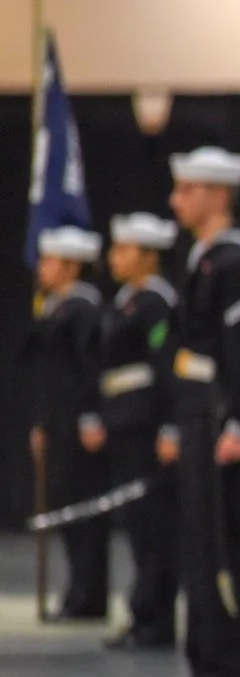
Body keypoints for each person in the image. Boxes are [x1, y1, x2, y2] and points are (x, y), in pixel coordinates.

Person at [165, 146, 240, 677]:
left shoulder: (234, 260)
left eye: (187, 189)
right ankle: (208, 657)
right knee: (202, 544)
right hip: (199, 415)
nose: (177, 200)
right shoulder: (204, 257)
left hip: (221, 418)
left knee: (223, 544)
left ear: (216, 194)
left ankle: (233, 664)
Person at [98, 213, 183, 649]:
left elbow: (166, 370)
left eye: (125, 250)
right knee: (137, 527)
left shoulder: (155, 303)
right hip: (126, 424)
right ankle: (142, 613)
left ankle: (155, 620)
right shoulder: (127, 301)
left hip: (148, 424)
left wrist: (170, 425)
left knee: (154, 528)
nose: (115, 258)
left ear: (149, 257)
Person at [25, 225, 110, 620]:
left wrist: (91, 416)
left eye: (50, 261)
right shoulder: (55, 307)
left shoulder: (84, 310)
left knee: (84, 512)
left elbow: (91, 370)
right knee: (66, 508)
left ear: (72, 266)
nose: (42, 268)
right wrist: (42, 421)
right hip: (59, 422)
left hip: (80, 425)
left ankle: (89, 594)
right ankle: (78, 589)